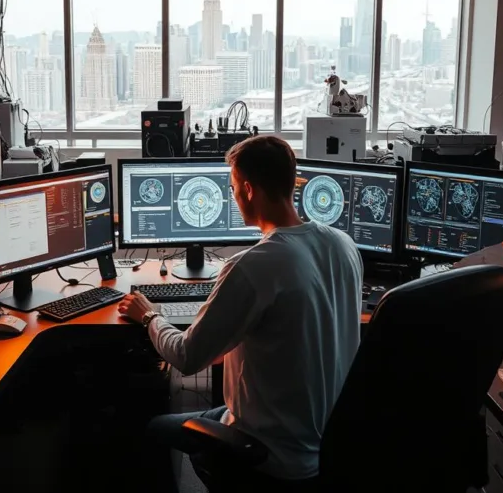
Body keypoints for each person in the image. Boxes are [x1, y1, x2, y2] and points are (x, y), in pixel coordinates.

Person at [119, 135, 364, 488]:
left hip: (273, 455)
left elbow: (187, 356)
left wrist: (149, 315)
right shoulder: (343, 244)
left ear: (248, 190)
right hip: (326, 443)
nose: (233, 196)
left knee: (154, 428)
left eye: (233, 187)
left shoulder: (252, 265)